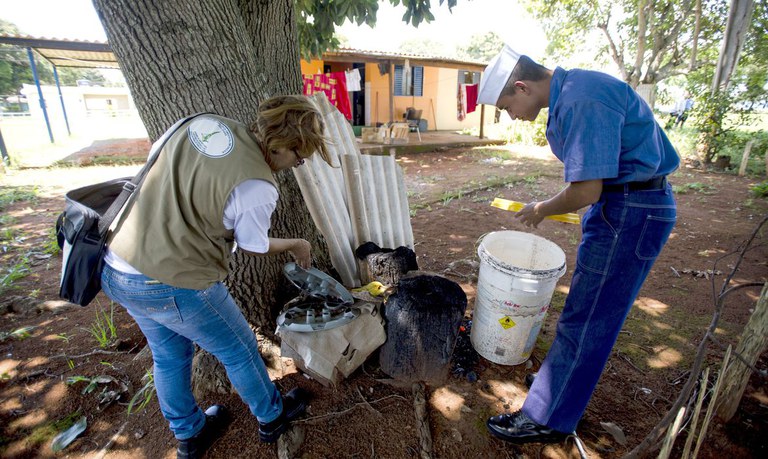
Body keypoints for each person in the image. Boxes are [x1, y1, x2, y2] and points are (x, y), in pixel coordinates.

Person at [101, 95, 332, 458]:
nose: (296, 165)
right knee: (239, 349)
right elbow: (253, 244)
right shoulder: (257, 186)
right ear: (282, 145)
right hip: (174, 280)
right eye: (299, 157)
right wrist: (299, 244)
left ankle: (190, 434)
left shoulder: (204, 124)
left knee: (168, 355)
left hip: (119, 265)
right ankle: (272, 417)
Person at [476, 45, 679, 444]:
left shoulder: (581, 98)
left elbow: (586, 188)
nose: (510, 116)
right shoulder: (575, 91)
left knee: (588, 317)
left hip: (630, 211)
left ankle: (546, 417)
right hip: (623, 206)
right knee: (585, 309)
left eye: (506, 106)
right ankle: (561, 383)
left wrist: (541, 209)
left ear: (521, 87)